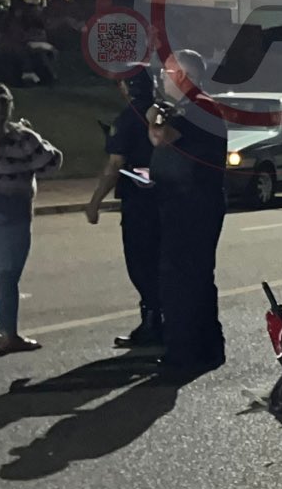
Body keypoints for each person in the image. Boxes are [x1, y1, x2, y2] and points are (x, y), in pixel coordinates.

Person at [147, 50, 227, 378]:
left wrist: (152, 112)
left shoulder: (201, 107)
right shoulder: (193, 107)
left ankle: (186, 350)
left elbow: (160, 137)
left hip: (193, 206)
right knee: (195, 278)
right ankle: (205, 346)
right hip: (190, 202)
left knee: (182, 280)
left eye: (168, 73)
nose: (163, 78)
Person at [0, 83, 61, 353]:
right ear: (9, 105)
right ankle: (10, 335)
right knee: (7, 275)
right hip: (12, 214)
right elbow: (52, 162)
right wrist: (36, 135)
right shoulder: (23, 137)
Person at [84, 68, 164, 350]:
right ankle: (166, 320)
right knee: (162, 263)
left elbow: (115, 165)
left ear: (127, 88)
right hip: (167, 201)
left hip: (140, 204)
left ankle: (153, 323)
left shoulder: (128, 118)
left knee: (141, 264)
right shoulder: (164, 114)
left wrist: (95, 203)